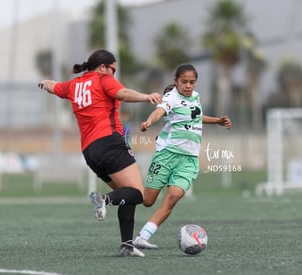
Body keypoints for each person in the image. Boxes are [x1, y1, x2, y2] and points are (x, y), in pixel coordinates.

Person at [37, 49, 162, 257]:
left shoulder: (73, 85)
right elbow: (122, 93)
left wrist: (45, 83)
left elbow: (53, 87)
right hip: (109, 142)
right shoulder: (103, 79)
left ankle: (127, 245)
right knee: (138, 193)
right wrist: (146, 96)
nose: (113, 74)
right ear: (103, 67)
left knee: (127, 195)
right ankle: (104, 199)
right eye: (113, 69)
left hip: (90, 152)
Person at [133, 64, 232, 249]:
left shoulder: (195, 97)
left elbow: (196, 116)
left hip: (189, 159)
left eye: (192, 82)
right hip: (167, 155)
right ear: (176, 81)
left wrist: (217, 121)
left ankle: (142, 237)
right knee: (147, 201)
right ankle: (113, 197)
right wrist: (149, 121)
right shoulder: (171, 97)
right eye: (184, 82)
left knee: (173, 197)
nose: (188, 85)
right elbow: (159, 111)